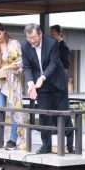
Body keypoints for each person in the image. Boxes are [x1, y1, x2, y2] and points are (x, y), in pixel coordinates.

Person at [21, 23, 68, 154]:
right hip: (39, 85)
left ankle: (69, 145)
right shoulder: (25, 46)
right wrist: (31, 84)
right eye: (29, 38)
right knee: (44, 114)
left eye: (34, 37)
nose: (32, 40)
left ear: (40, 34)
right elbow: (27, 67)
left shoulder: (52, 43)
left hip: (56, 82)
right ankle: (46, 146)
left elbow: (54, 63)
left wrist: (42, 77)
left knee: (63, 113)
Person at [0, 22, 24, 151]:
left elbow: (20, 61)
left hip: (13, 81)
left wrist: (7, 67)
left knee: (14, 109)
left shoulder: (14, 43)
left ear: (4, 31)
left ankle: (13, 140)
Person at [49, 25, 75, 153]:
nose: (51, 36)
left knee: (64, 113)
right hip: (50, 83)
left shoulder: (63, 47)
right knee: (52, 113)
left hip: (60, 82)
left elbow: (66, 63)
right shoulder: (49, 46)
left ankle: (70, 144)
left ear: (60, 34)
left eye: (53, 34)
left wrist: (54, 61)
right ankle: (55, 144)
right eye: (50, 34)